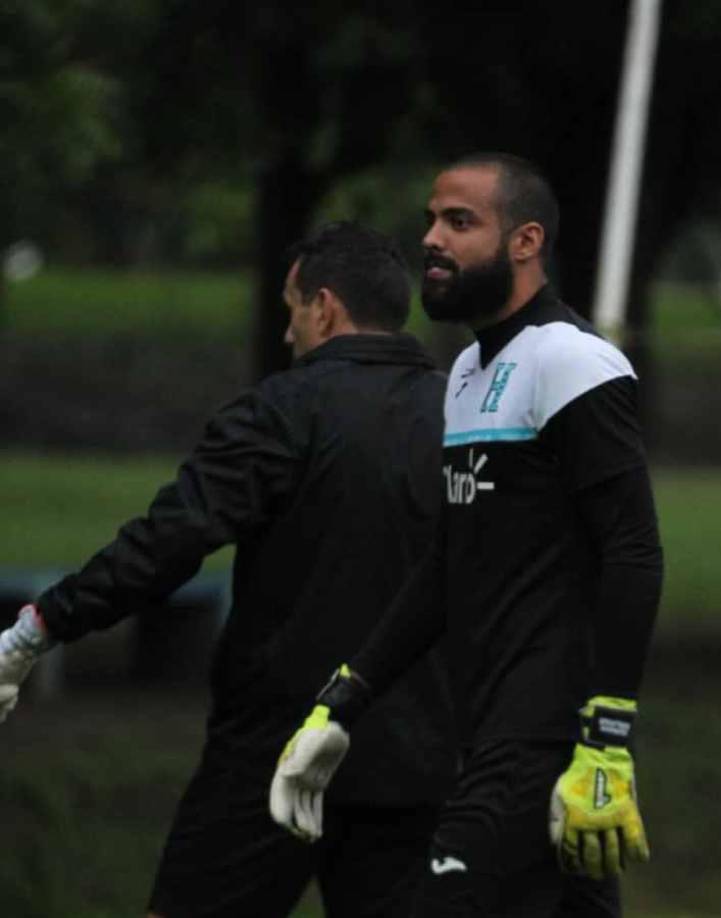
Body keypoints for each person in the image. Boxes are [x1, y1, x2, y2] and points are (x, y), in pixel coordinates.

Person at [0, 222, 455, 918]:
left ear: (325, 307)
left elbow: (166, 545)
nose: (287, 333)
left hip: (273, 745)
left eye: (292, 309)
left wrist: (40, 625)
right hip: (416, 754)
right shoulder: (463, 420)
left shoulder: (281, 411)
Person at [269, 153, 664, 917]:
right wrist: (343, 702)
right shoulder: (466, 375)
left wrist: (608, 739)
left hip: (550, 738)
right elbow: (447, 566)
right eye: (429, 220)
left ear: (525, 242)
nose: (432, 239)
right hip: (486, 731)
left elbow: (634, 551)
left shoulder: (572, 362)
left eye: (459, 221)